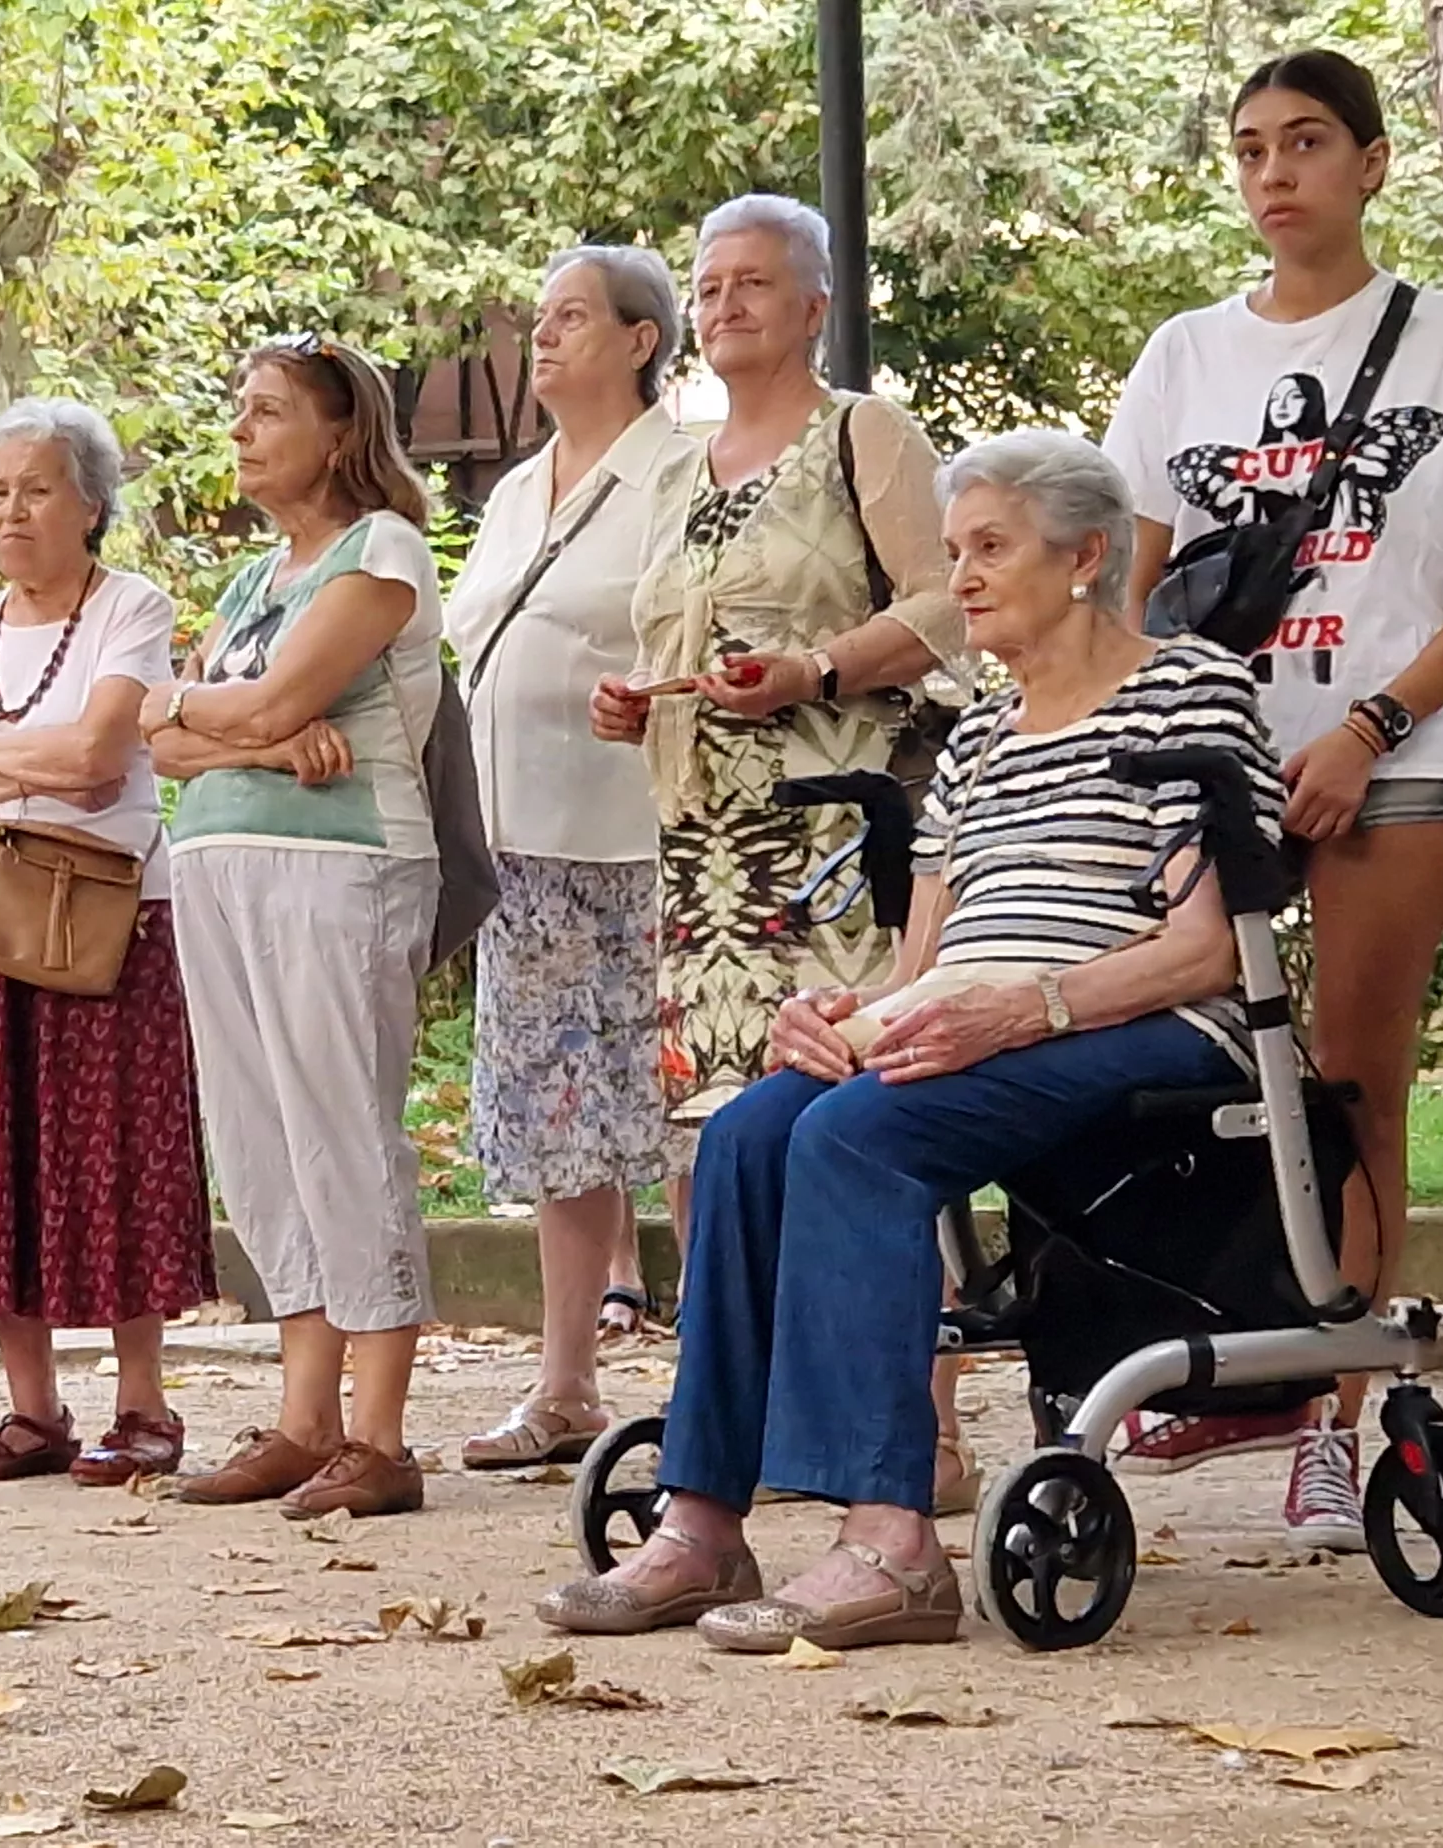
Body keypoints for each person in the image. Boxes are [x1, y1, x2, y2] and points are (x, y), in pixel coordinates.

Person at [537, 429, 1282, 1650]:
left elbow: (1208, 952)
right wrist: (836, 1014)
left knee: (857, 1140)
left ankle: (891, 1544)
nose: (964, 576)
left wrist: (1029, 1007)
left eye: (991, 548)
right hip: (968, 1021)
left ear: (1086, 554)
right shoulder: (977, 738)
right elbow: (921, 963)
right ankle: (702, 1521)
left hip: (1144, 1020)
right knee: (746, 1136)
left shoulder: (1190, 688)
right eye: (953, 551)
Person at [1100, 49, 1443, 1548]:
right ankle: (1224, 1360)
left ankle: (1337, 1414)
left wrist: (1367, 723)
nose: (1274, 172)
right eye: (1248, 149)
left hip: (1397, 769)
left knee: (1349, 1081)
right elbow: (1131, 586)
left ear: (1369, 164)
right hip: (1216, 760)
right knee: (1205, 1079)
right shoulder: (1179, 355)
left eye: (1305, 142)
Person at [589, 194, 980, 1506]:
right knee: (712, 1126)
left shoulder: (861, 429)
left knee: (864, 1106)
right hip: (703, 838)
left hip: (833, 831)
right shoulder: (673, 471)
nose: (724, 306)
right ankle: (735, 1417)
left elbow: (944, 606)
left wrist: (816, 663)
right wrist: (634, 694)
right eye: (707, 286)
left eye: (754, 283)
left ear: (815, 304)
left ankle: (924, 1430)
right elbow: (675, 642)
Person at [0, 397, 215, 1487]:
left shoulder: (131, 607)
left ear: (90, 505)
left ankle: (143, 1405)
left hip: (103, 917)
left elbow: (100, 762)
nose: (11, 511)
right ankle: (30, 1413)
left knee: (111, 1153)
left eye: (35, 489)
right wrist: (39, 756)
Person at [138, 336, 445, 1520]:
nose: (242, 431)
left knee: (340, 1130)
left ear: (337, 433)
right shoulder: (252, 579)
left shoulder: (381, 554)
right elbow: (163, 744)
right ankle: (303, 1418)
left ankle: (380, 1435)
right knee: (257, 1138)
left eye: (267, 412)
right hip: (219, 861)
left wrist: (192, 705)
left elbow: (257, 696)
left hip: (341, 865)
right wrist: (245, 736)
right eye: (239, 410)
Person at [448, 246, 688, 1470]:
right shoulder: (516, 487)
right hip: (520, 844)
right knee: (560, 1120)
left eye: (573, 317)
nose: (543, 337)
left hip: (648, 838)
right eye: (538, 318)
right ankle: (564, 1386)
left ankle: (717, 1382)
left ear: (642, 340)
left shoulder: (685, 470)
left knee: (690, 1107)